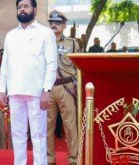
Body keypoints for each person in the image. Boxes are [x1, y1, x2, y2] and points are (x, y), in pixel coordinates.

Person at [0, 0, 58, 164]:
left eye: (26, 6)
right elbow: (5, 65)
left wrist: (47, 90)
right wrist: (1, 90)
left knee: (38, 135)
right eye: (19, 7)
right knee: (17, 134)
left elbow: (52, 64)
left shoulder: (46, 33)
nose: (22, 10)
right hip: (15, 92)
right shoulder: (11, 35)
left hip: (37, 93)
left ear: (35, 10)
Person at [47, 10, 79, 165]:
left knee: (70, 125)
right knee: (47, 126)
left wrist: (77, 86)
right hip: (47, 89)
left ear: (64, 25)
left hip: (67, 87)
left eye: (58, 23)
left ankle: (74, 159)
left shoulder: (72, 43)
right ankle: (49, 159)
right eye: (51, 22)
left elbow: (79, 67)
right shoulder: (43, 41)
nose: (54, 25)